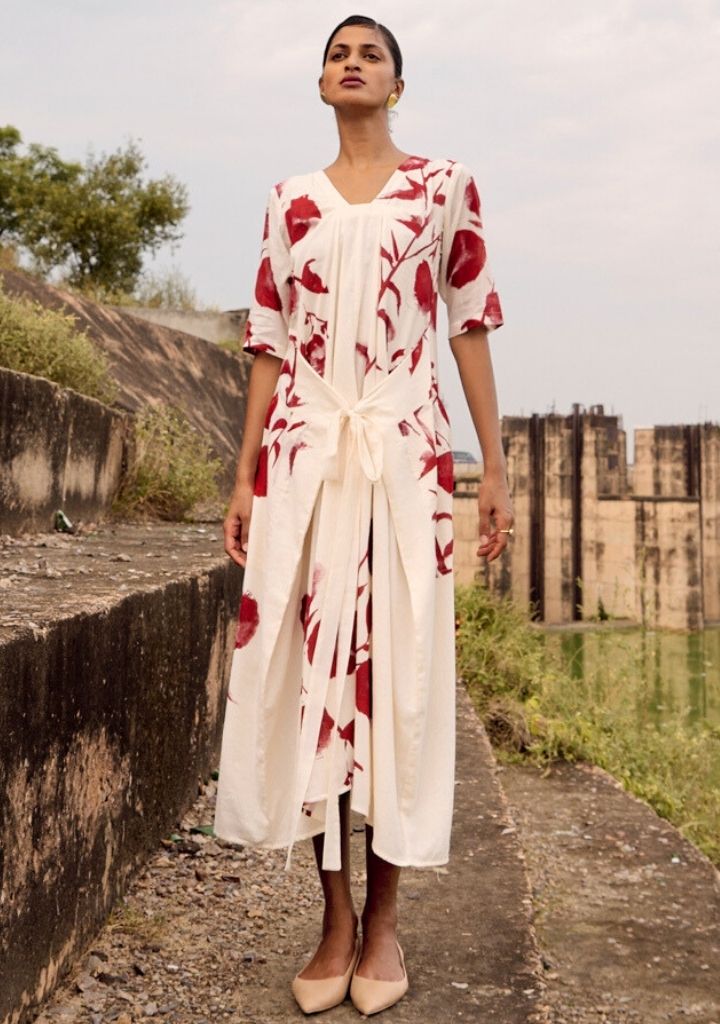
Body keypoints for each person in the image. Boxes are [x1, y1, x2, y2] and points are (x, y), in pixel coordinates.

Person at [213, 13, 514, 1017]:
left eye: (370, 53)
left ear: (396, 84)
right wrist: (245, 475)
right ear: (320, 84)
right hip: (304, 457)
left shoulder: (443, 187)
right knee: (313, 682)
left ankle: (384, 920)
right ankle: (333, 917)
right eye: (337, 54)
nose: (352, 63)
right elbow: (267, 340)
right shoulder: (287, 201)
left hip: (405, 454)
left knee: (395, 680)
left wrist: (494, 468)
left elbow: (469, 324)